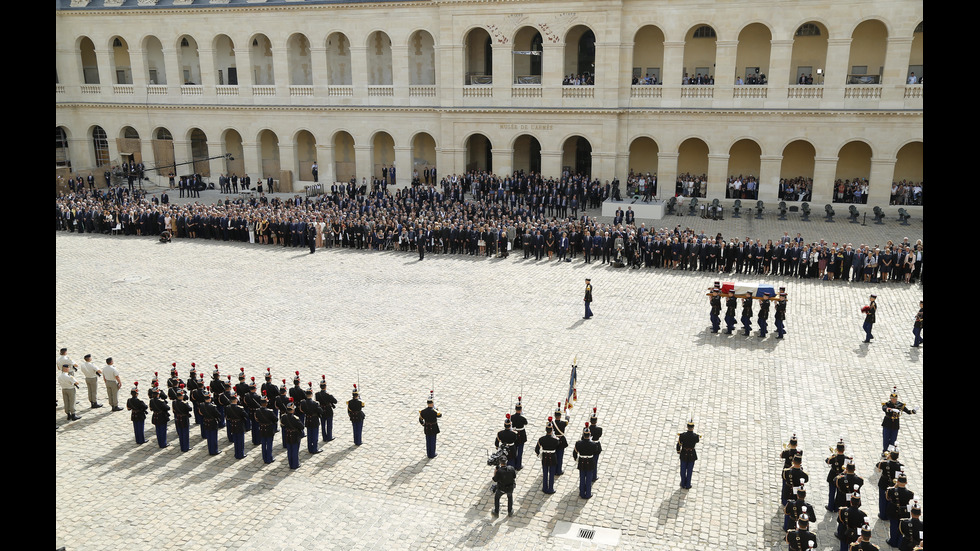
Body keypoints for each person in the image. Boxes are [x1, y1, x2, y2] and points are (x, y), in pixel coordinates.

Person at [881, 387, 916, 452]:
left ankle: (890, 451)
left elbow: (908, 411)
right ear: (890, 398)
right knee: (886, 438)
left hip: (895, 424)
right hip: (887, 423)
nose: (893, 400)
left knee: (893, 439)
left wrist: (913, 411)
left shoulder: (900, 405)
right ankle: (885, 451)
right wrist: (890, 410)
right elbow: (884, 408)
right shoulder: (887, 404)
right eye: (892, 398)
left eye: (895, 398)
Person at [885, 472, 914, 547]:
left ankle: (893, 541)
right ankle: (899, 542)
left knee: (894, 526)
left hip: (893, 510)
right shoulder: (910, 493)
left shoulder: (891, 491)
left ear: (897, 481)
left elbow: (887, 498)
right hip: (903, 511)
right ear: (906, 482)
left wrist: (894, 486)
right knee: (902, 527)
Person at [534, 418, 560, 494]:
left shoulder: (541, 439)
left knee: (545, 473)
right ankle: (550, 488)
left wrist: (539, 455)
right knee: (551, 473)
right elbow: (558, 446)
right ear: (552, 430)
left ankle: (545, 488)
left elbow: (537, 449)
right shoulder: (555, 440)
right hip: (552, 456)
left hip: (545, 456)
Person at [573, 423, 598, 498]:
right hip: (590, 461)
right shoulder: (593, 444)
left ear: (583, 435)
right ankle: (588, 494)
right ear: (589, 435)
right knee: (589, 478)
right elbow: (595, 452)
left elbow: (574, 453)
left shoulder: (578, 443)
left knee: (582, 477)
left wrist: (577, 459)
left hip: (582, 461)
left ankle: (582, 493)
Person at [281, 399, 306, 469]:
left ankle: (290, 463)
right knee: (295, 450)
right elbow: (302, 427)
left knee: (289, 450)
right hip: (295, 435)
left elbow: (282, 424)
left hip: (288, 434)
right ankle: (295, 464)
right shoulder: (295, 418)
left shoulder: (284, 417)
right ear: (292, 410)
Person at [254, 394, 278, 464]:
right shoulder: (269, 411)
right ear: (266, 403)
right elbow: (275, 419)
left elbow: (257, 419)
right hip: (269, 428)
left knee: (264, 444)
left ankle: (264, 457)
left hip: (262, 428)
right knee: (269, 444)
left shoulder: (257, 411)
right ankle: (269, 458)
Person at [418, 392, 442, 459]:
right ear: (432, 404)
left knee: (428, 441)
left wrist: (424, 425)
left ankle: (429, 453)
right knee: (433, 441)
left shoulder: (423, 411)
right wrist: (436, 409)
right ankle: (432, 454)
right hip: (433, 427)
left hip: (427, 428)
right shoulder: (434, 412)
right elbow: (440, 415)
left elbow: (420, 419)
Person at [677, 420, 699, 489]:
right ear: (693, 428)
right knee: (689, 470)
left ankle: (683, 483)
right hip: (691, 454)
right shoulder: (696, 436)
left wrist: (678, 450)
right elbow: (697, 441)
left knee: (683, 470)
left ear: (687, 427)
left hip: (684, 453)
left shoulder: (682, 435)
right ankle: (688, 484)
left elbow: (679, 444)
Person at [825, 439, 847, 511]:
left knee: (831, 492)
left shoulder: (834, 457)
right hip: (841, 477)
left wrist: (832, 455)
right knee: (839, 493)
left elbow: (827, 461)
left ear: (837, 449)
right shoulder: (846, 458)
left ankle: (830, 506)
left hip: (832, 476)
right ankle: (837, 507)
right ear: (844, 449)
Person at [225, 391, 248, 459]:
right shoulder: (240, 408)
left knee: (235, 440)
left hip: (233, 424)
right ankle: (240, 454)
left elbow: (227, 417)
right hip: (239, 425)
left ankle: (236, 453)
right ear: (235, 400)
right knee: (240, 440)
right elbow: (246, 416)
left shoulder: (228, 407)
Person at [301, 385, 323, 454]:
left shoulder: (303, 402)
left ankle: (310, 448)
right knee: (315, 435)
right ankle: (315, 448)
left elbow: (302, 410)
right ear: (311, 394)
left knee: (309, 435)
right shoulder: (315, 403)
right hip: (314, 420)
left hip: (307, 419)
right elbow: (321, 411)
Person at [315, 376, 337, 443]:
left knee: (323, 424)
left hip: (321, 410)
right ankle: (329, 436)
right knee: (329, 424)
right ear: (325, 387)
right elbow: (335, 401)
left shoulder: (317, 394)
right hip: (328, 410)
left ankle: (324, 437)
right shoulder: (328, 395)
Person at [199, 391, 221, 455]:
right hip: (212, 422)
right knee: (213, 437)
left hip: (206, 421)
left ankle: (210, 450)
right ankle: (214, 451)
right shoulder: (212, 406)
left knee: (209, 437)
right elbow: (218, 414)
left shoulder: (201, 405)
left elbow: (200, 412)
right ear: (209, 398)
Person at [172, 385, 193, 452]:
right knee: (185, 433)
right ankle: (186, 447)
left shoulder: (174, 402)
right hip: (184, 419)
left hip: (178, 418)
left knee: (181, 433)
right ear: (180, 396)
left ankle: (182, 447)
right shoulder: (184, 403)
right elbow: (190, 409)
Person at [511, 398, 528, 470]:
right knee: (520, 450)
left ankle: (514, 463)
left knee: (514, 449)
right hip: (521, 434)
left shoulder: (512, 417)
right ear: (521, 409)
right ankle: (518, 465)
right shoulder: (522, 418)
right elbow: (526, 423)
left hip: (514, 434)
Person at [588, 408, 603, 482]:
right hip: (596, 445)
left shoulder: (587, 429)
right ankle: (594, 475)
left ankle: (590, 475)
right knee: (595, 461)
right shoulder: (599, 429)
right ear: (596, 421)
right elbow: (599, 435)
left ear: (590, 421)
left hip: (590, 446)